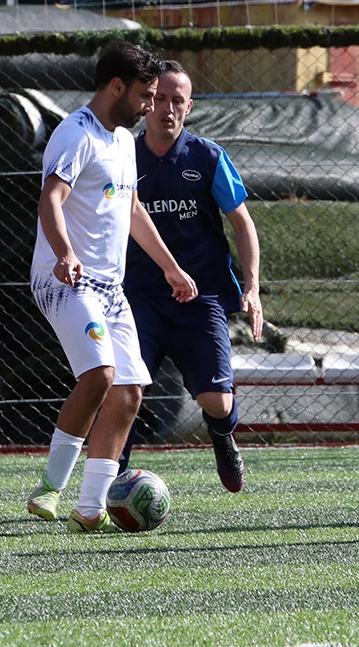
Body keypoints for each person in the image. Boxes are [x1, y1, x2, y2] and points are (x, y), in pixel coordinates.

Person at [26, 42, 198, 534]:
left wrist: (170, 267)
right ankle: (50, 488)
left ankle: (90, 508)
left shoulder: (124, 140)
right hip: (64, 279)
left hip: (109, 288)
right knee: (100, 374)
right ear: (116, 87)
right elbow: (50, 200)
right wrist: (65, 254)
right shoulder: (76, 133)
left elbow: (132, 208)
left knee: (129, 392)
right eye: (145, 95)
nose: (151, 105)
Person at [122, 61, 263, 493]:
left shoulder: (208, 157)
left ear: (189, 107)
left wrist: (253, 288)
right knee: (124, 390)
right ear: (147, 103)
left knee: (217, 402)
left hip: (201, 298)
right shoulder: (122, 155)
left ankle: (223, 438)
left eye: (177, 101)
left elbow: (242, 223)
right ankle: (106, 483)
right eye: (160, 99)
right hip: (140, 296)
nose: (167, 108)